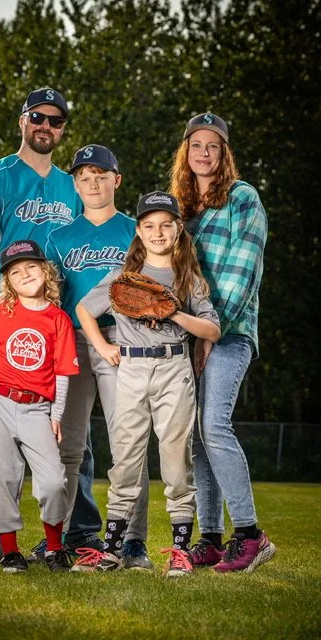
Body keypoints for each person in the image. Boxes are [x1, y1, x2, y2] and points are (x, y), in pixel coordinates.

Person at [0, 87, 83, 563]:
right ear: (22, 121)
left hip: (57, 324)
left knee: (69, 435)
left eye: (55, 119)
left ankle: (70, 535)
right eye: (37, 117)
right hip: (1, 322)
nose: (45, 125)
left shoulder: (73, 185)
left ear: (62, 128)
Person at [74, 191, 221, 577]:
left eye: (166, 225)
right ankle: (111, 550)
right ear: (138, 231)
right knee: (124, 462)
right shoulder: (123, 277)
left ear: (177, 229)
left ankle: (180, 551)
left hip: (174, 368)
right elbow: (84, 310)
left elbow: (212, 329)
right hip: (132, 371)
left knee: (176, 462)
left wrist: (176, 314)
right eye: (149, 225)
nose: (158, 232)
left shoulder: (189, 277)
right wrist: (104, 346)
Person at [27, 144, 152, 570]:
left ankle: (134, 542)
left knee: (128, 446)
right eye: (84, 176)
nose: (92, 182)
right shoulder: (59, 238)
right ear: (75, 184)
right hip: (73, 346)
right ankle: (55, 539)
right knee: (66, 447)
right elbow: (47, 299)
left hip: (126, 342)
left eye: (101, 175)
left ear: (117, 180)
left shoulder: (138, 232)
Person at [170, 112, 275, 573]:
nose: (204, 153)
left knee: (214, 425)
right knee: (196, 438)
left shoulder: (242, 197)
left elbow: (241, 273)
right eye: (197, 145)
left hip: (228, 334)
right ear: (186, 152)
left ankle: (250, 536)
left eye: (213, 146)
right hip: (189, 336)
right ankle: (210, 539)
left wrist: (210, 335)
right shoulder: (182, 208)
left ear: (224, 153)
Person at [0, 239, 79, 573]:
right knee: (2, 478)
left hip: (37, 409)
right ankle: (10, 552)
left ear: (45, 271)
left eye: (31, 266)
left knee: (54, 480)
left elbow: (62, 374)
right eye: (16, 272)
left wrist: (56, 415)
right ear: (8, 282)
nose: (25, 274)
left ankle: (55, 548)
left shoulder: (58, 320)